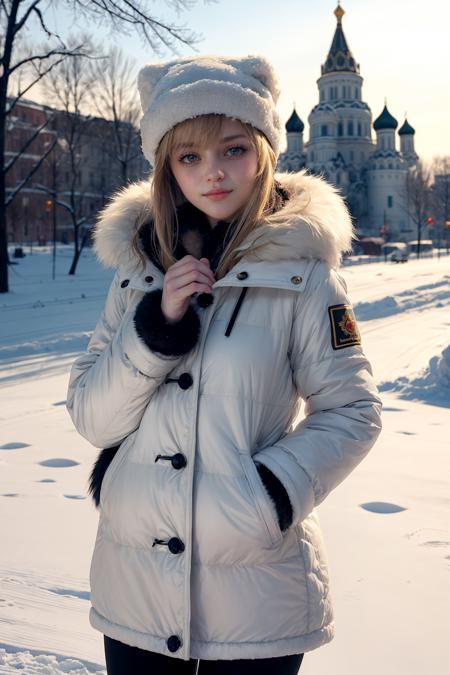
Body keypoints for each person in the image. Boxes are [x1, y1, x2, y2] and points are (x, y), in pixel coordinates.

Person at [66, 54, 383, 674]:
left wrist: (266, 497)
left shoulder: (305, 276)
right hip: (136, 586)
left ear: (264, 150)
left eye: (232, 149)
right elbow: (92, 418)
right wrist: (156, 327)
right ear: (167, 169)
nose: (212, 172)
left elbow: (352, 410)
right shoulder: (136, 271)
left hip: (254, 595)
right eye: (190, 156)